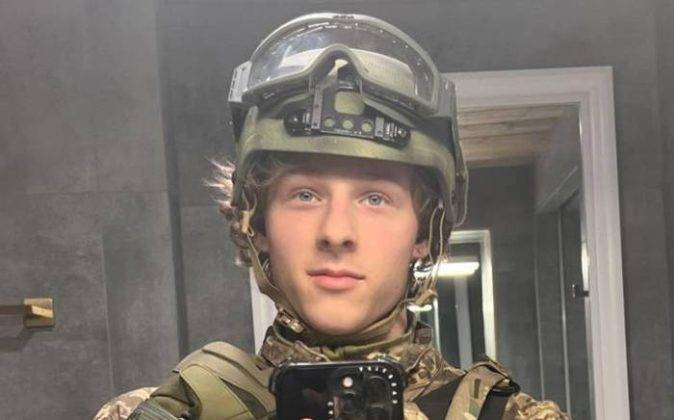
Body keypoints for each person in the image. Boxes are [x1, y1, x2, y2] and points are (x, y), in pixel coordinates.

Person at [95, 12, 569, 420]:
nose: (337, 232)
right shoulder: (156, 413)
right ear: (256, 225)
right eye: (305, 195)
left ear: (423, 232)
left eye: (375, 198)